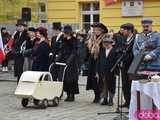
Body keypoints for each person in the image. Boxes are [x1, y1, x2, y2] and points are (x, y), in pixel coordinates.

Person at [86, 23, 108, 103]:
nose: (95, 31)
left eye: (97, 30)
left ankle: (102, 96)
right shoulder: (91, 38)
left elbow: (106, 50)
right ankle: (96, 95)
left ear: (102, 31)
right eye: (94, 30)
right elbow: (88, 50)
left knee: (100, 78)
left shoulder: (105, 38)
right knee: (93, 78)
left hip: (101, 60)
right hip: (93, 60)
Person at [57, 25, 79, 102]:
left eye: (66, 33)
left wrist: (69, 61)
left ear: (69, 33)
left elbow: (74, 52)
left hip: (71, 62)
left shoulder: (74, 40)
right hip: (63, 61)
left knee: (71, 79)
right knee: (64, 78)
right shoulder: (63, 40)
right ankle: (67, 94)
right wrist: (58, 59)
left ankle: (72, 95)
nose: (65, 34)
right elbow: (61, 50)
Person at [97, 35, 117, 106]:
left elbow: (116, 63)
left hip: (111, 72)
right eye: (105, 42)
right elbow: (98, 62)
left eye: (108, 42)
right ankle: (105, 99)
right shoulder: (102, 51)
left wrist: (116, 72)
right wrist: (97, 71)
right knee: (104, 86)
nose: (106, 44)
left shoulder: (114, 51)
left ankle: (111, 100)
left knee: (111, 86)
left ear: (111, 43)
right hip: (103, 71)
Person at [120, 23, 136, 108]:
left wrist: (125, 58)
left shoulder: (135, 39)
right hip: (124, 65)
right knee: (124, 83)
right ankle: (127, 101)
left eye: (124, 29)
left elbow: (134, 53)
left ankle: (132, 102)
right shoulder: (124, 38)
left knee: (130, 84)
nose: (122, 31)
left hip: (131, 64)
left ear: (129, 30)